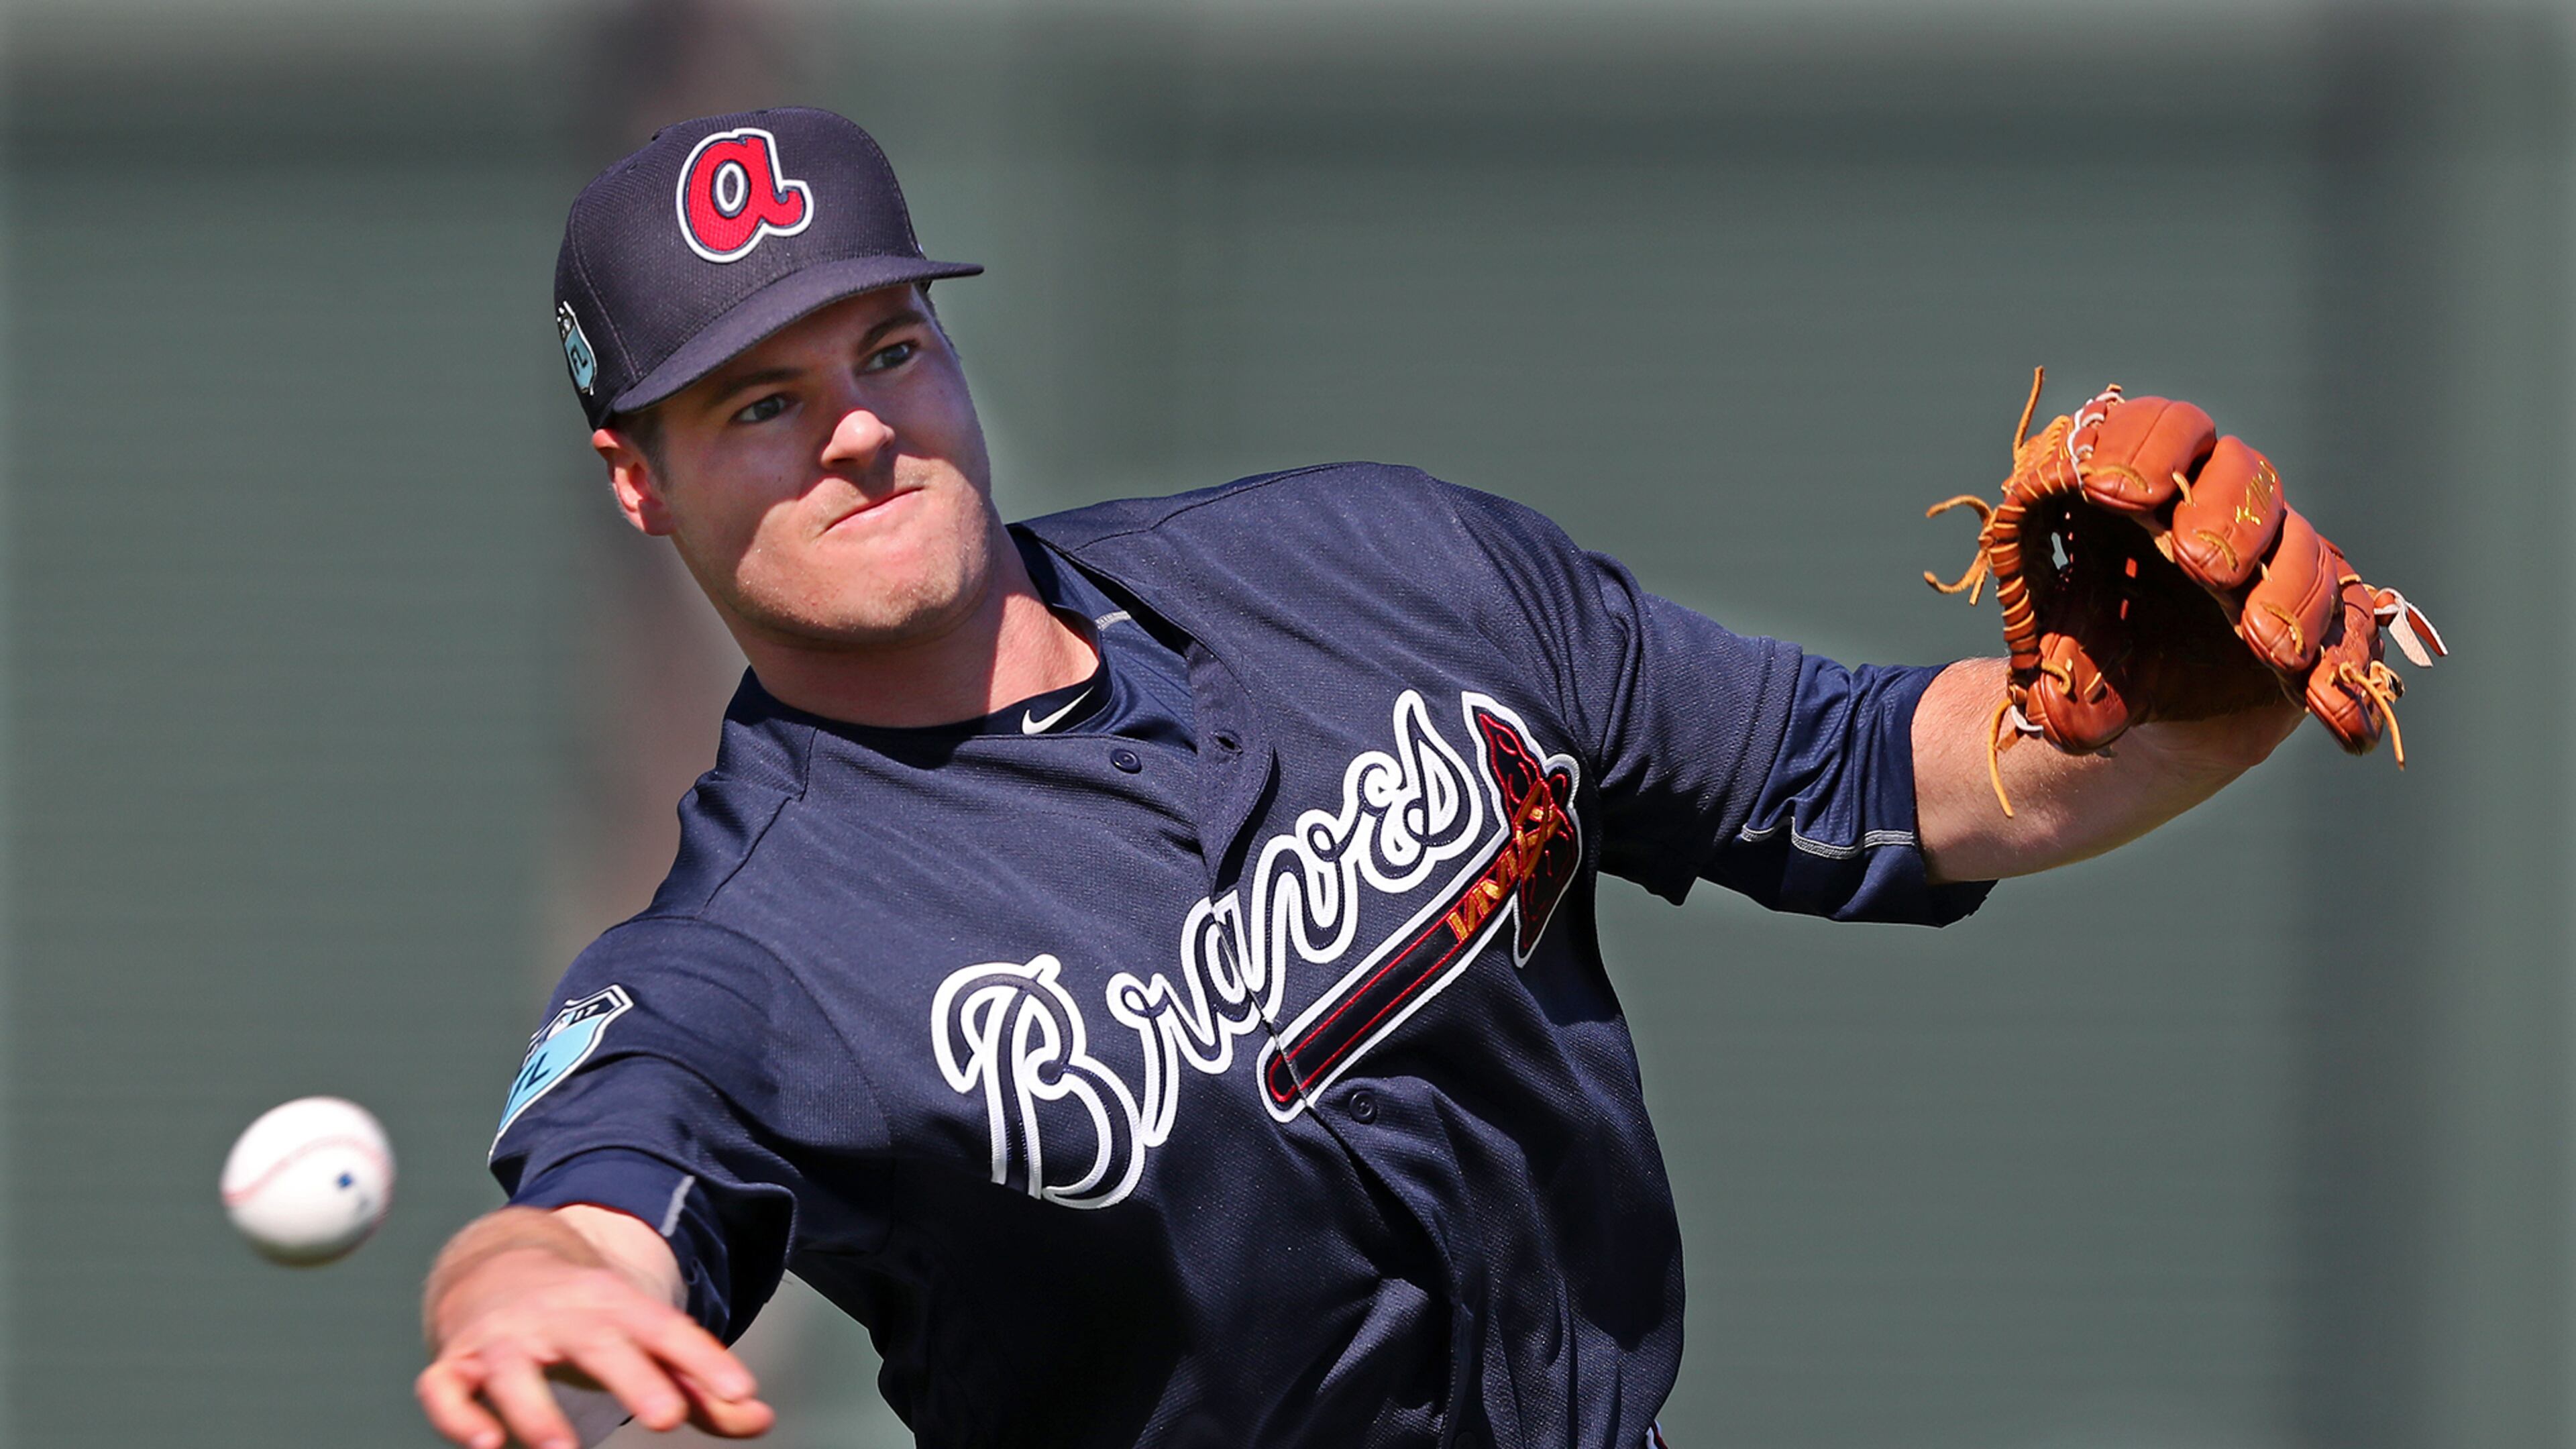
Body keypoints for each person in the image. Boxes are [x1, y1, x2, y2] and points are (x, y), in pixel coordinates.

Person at [417, 107, 2308, 1449]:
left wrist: (2189, 708)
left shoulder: (1385, 568)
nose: (858, 429)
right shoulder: (744, 959)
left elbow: (1878, 777)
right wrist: (507, 1295)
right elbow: (589, 1214)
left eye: (890, 345)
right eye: (760, 399)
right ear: (637, 478)